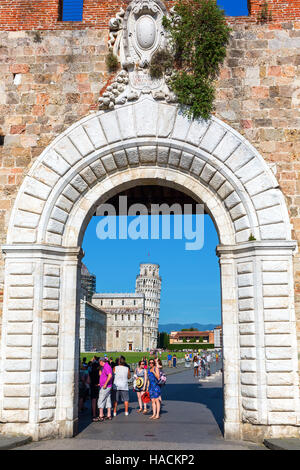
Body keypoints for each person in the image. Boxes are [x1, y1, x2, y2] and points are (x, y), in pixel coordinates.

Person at [96, 357, 113, 422]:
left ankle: (101, 415)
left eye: (99, 362)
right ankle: (109, 414)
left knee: (101, 399)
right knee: (108, 399)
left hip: (105, 386)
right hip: (107, 386)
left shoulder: (106, 366)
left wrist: (105, 384)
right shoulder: (106, 366)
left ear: (101, 361)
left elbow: (110, 375)